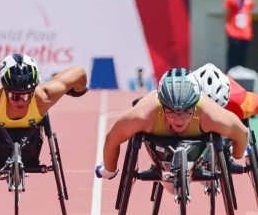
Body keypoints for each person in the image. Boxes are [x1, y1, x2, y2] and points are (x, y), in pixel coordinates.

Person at [95, 68, 249, 179]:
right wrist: (109, 170)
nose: (179, 119)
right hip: (160, 153)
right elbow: (112, 139)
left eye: (185, 112)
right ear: (162, 106)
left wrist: (236, 155)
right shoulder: (143, 115)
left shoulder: (210, 114)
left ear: (195, 106)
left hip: (200, 150)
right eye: (172, 112)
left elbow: (243, 133)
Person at [0, 53, 87, 128]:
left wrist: (78, 89)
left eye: (26, 96)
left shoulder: (44, 97)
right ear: (4, 89)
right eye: (14, 96)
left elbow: (80, 72)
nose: (21, 101)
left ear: (34, 90)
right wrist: (77, 90)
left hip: (31, 135)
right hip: (2, 131)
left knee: (55, 84)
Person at [224, 0, 255, 71]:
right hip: (233, 32)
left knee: (242, 60)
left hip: (245, 34)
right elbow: (227, 13)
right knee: (232, 59)